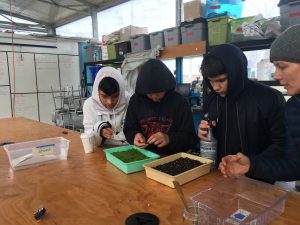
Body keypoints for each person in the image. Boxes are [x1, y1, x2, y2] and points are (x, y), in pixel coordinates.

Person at [219, 25, 300, 181]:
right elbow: (295, 166)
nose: (276, 75)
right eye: (275, 67)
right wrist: (250, 165)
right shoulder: (294, 108)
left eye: (282, 66)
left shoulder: (271, 98)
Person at [198, 44, 286, 183]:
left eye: (221, 80)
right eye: (211, 81)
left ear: (236, 73)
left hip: (259, 180)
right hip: (220, 176)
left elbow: (282, 144)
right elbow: (209, 140)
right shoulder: (211, 100)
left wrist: (252, 165)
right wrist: (204, 136)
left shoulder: (269, 98)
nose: (215, 87)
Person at [124, 58, 198, 155]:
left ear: (167, 87)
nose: (154, 96)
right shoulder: (136, 101)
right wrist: (134, 136)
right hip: (144, 156)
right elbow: (129, 129)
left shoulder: (179, 102)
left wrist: (169, 138)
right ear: (142, 90)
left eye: (159, 92)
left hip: (172, 158)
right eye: (149, 93)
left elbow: (191, 139)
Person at [83, 67, 130, 146]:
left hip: (127, 149)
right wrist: (99, 129)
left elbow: (133, 131)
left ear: (121, 92)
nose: (110, 102)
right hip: (100, 150)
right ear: (97, 92)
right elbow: (88, 136)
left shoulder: (128, 100)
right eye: (104, 96)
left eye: (115, 96)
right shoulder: (89, 105)